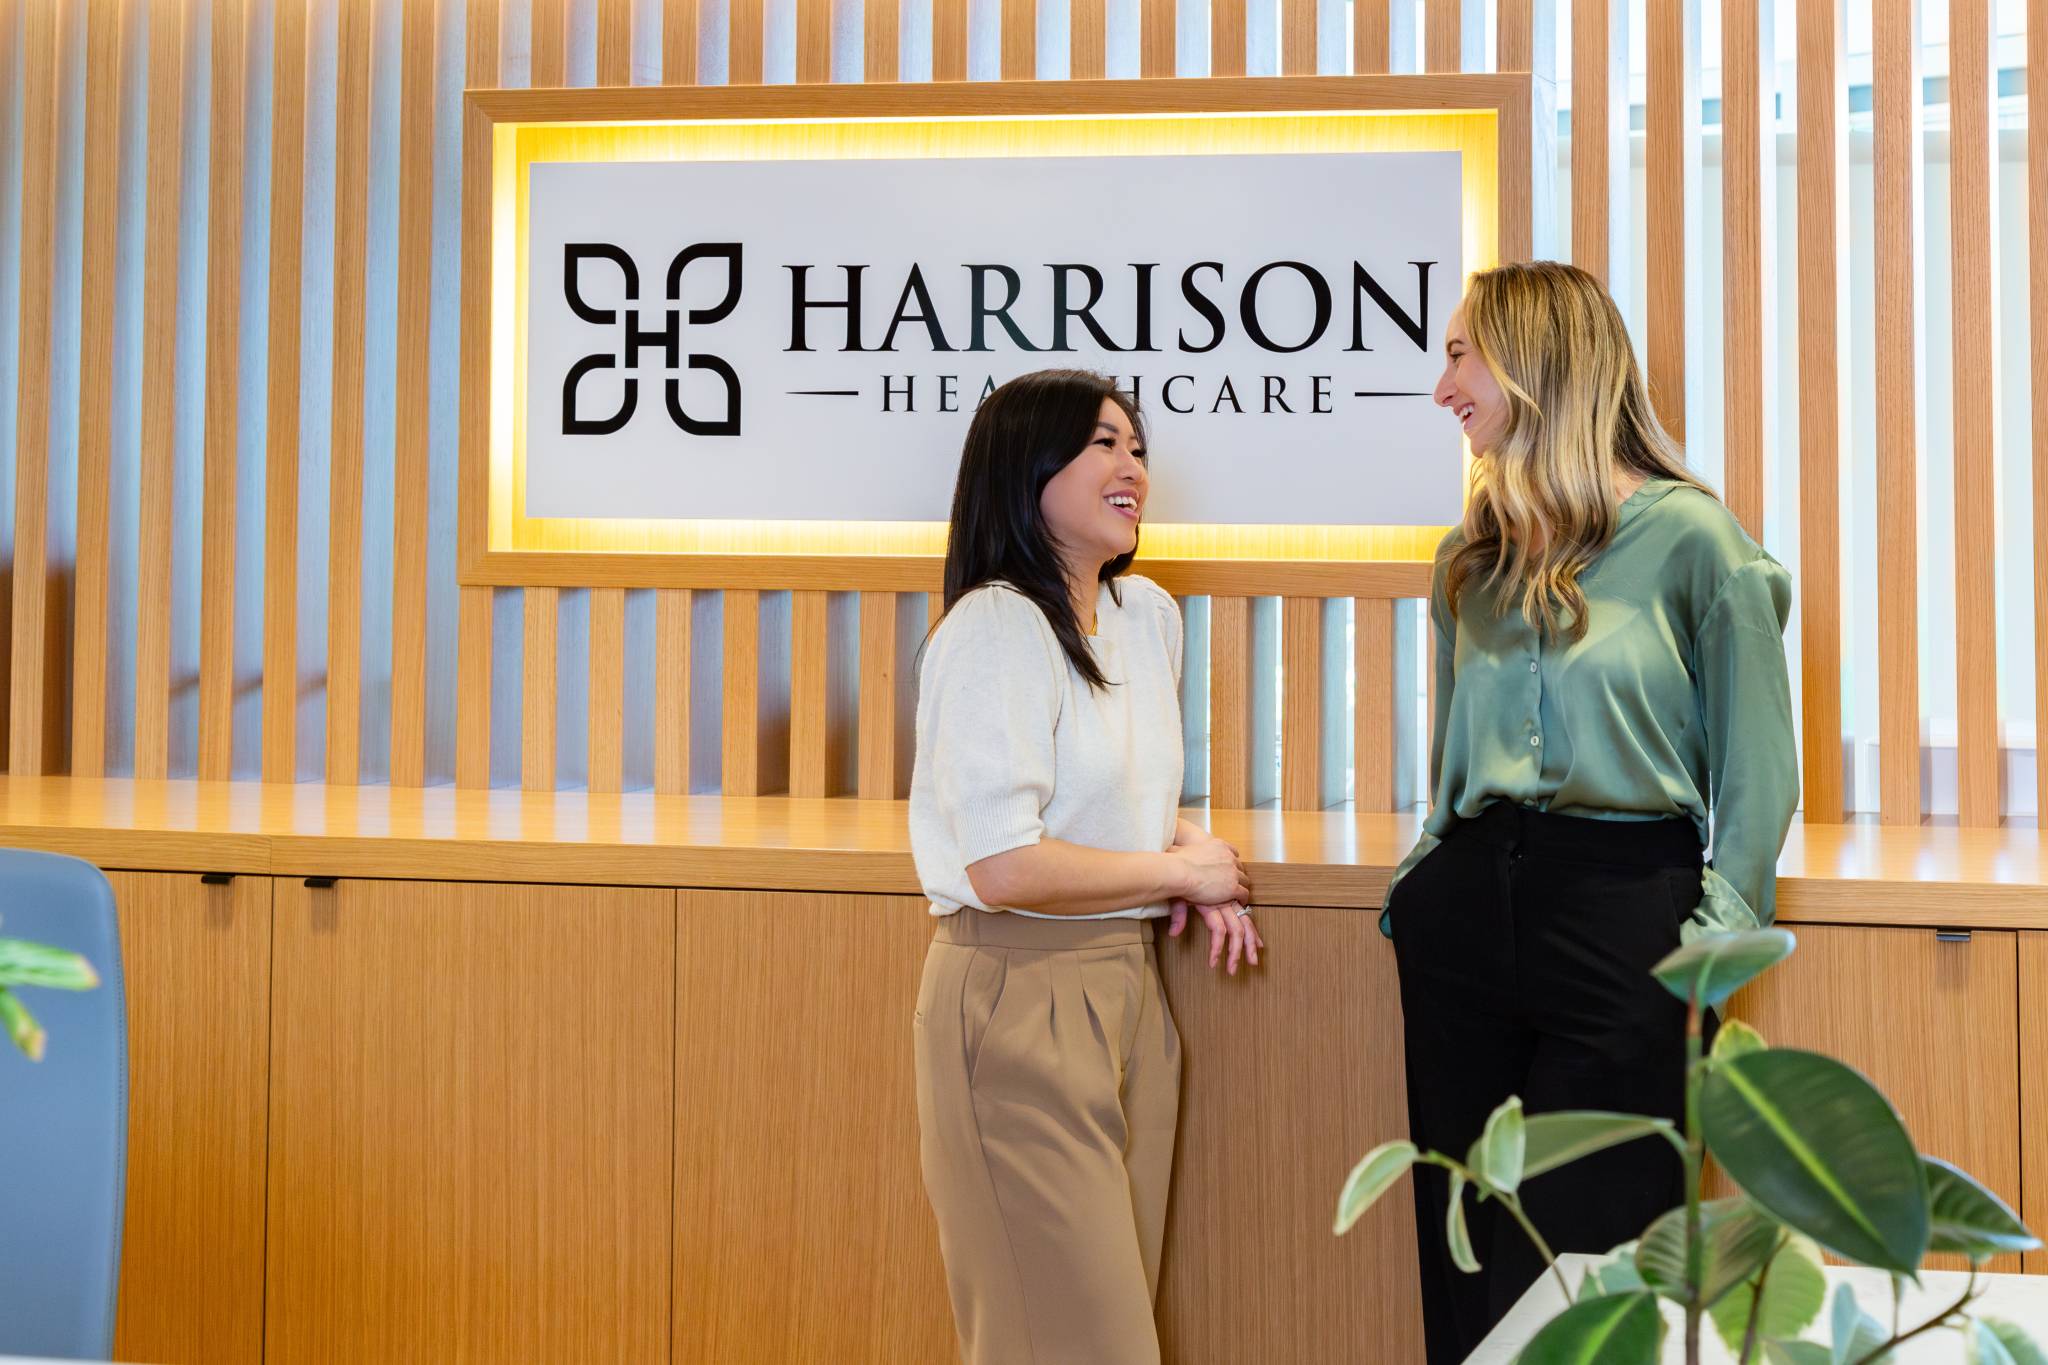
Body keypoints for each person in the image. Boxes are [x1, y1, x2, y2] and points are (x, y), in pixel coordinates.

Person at [1385, 261, 1798, 1362]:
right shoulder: (1465, 560)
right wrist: (1421, 875)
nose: (1442, 388)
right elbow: (1447, 759)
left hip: (1622, 917)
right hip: (1464, 917)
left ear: (1533, 363)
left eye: (1459, 354)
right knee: (1468, 1247)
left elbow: (1757, 767)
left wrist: (1706, 942)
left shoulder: (1693, 543)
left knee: (1610, 1261)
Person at [909, 369, 1262, 1365]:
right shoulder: (991, 627)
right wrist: (1178, 877)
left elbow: (1117, 790)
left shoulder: (1146, 615)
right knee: (1078, 1348)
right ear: (1026, 472)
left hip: (1129, 997)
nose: (1131, 467)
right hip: (1015, 999)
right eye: (1101, 444)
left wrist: (1186, 841)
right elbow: (1002, 865)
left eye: (1137, 447)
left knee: (1094, 1335)